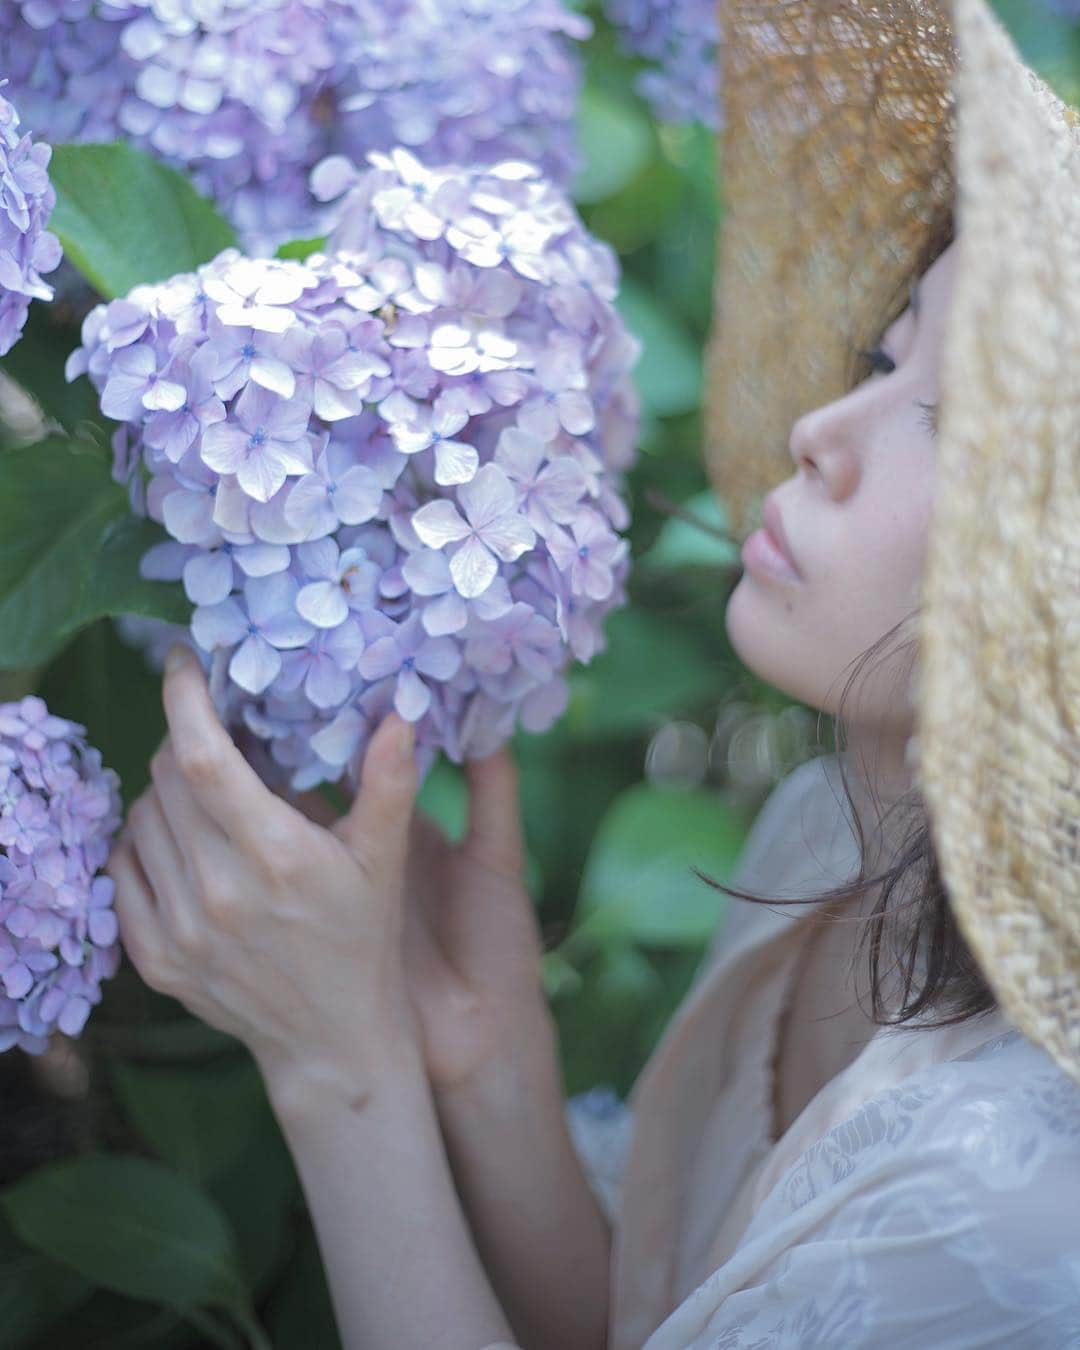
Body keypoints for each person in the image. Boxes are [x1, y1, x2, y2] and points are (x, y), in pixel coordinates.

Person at [106, 1, 1080, 1347]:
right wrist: (486, 1049)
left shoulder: (1001, 1209)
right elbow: (649, 1314)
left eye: (955, 425)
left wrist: (341, 1072)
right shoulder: (840, 837)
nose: (817, 430)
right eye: (881, 353)